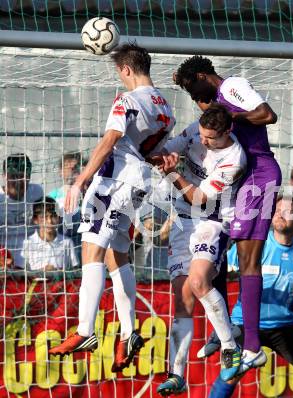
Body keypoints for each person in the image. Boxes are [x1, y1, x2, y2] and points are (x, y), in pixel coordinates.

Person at [48, 43, 175, 373]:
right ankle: (130, 332)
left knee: (92, 248)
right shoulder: (166, 108)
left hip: (115, 181)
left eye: (119, 72)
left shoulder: (127, 100)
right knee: (116, 254)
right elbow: (150, 152)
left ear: (126, 70)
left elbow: (109, 141)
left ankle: (85, 331)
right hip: (139, 183)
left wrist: (80, 180)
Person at [174, 56, 281, 371]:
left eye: (194, 88)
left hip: (258, 174)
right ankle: (225, 334)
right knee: (217, 253)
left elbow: (266, 114)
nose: (196, 99)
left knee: (249, 260)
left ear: (205, 76)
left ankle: (252, 346)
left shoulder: (231, 86)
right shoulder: (214, 105)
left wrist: (226, 117)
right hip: (241, 178)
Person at [204, 194, 293, 398]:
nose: (280, 215)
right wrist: (228, 272)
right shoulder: (255, 244)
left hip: (285, 325)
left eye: (287, 211)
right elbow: (222, 269)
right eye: (276, 211)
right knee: (231, 373)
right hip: (246, 323)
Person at [156, 104, 247, 395]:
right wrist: (160, 154)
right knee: (182, 301)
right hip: (182, 220)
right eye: (203, 136)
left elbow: (198, 198)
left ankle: (231, 349)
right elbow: (166, 148)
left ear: (227, 131)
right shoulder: (197, 129)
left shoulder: (234, 159)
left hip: (212, 220)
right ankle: (176, 374)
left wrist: (172, 173)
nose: (204, 142)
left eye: (211, 139)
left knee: (198, 282)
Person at [0, 153, 43, 268]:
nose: (18, 181)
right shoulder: (0, 198)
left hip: (35, 261)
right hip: (5, 263)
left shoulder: (37, 192)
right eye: (13, 177)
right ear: (4, 176)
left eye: (23, 177)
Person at [22, 197, 79, 271]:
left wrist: (58, 272)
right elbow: (23, 272)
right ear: (35, 220)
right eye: (44, 217)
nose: (49, 221)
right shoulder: (28, 243)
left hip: (61, 281)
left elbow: (75, 269)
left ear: (59, 218)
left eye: (53, 216)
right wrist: (42, 272)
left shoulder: (67, 242)